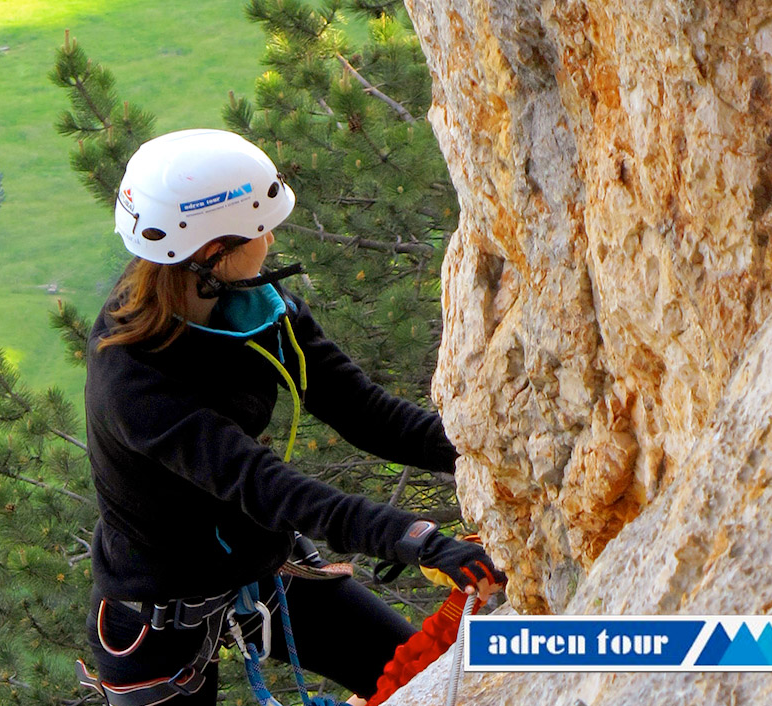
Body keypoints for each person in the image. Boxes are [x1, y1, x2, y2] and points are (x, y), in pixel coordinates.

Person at [77, 128, 505, 706]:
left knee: (421, 677)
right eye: (259, 229)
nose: (271, 238)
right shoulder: (132, 381)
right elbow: (265, 486)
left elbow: (364, 412)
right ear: (213, 252)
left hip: (262, 571)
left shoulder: (255, 309)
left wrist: (484, 453)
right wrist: (415, 540)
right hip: (156, 615)